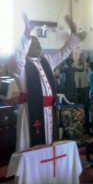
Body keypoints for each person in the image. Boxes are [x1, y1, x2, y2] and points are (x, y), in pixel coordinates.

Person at [9, 13, 86, 152]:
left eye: (40, 44)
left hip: (50, 113)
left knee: (49, 147)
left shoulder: (47, 61)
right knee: (30, 147)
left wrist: (73, 33)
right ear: (27, 46)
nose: (40, 46)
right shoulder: (21, 67)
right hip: (30, 112)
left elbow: (65, 51)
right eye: (35, 44)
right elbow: (17, 57)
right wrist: (26, 34)